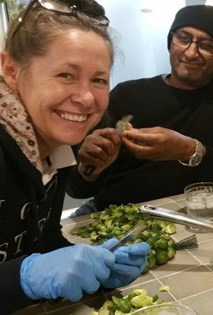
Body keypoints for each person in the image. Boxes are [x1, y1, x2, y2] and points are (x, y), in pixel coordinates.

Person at [0, 0, 150, 312]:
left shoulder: (56, 147)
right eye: (66, 75)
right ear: (11, 70)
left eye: (98, 80)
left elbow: (43, 239)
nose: (85, 98)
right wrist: (26, 277)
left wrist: (96, 265)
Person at [67, 5, 213, 215]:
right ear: (170, 43)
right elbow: (77, 189)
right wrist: (90, 167)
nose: (192, 52)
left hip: (190, 213)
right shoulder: (126, 95)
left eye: (206, 44)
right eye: (184, 38)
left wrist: (188, 150)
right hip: (117, 213)